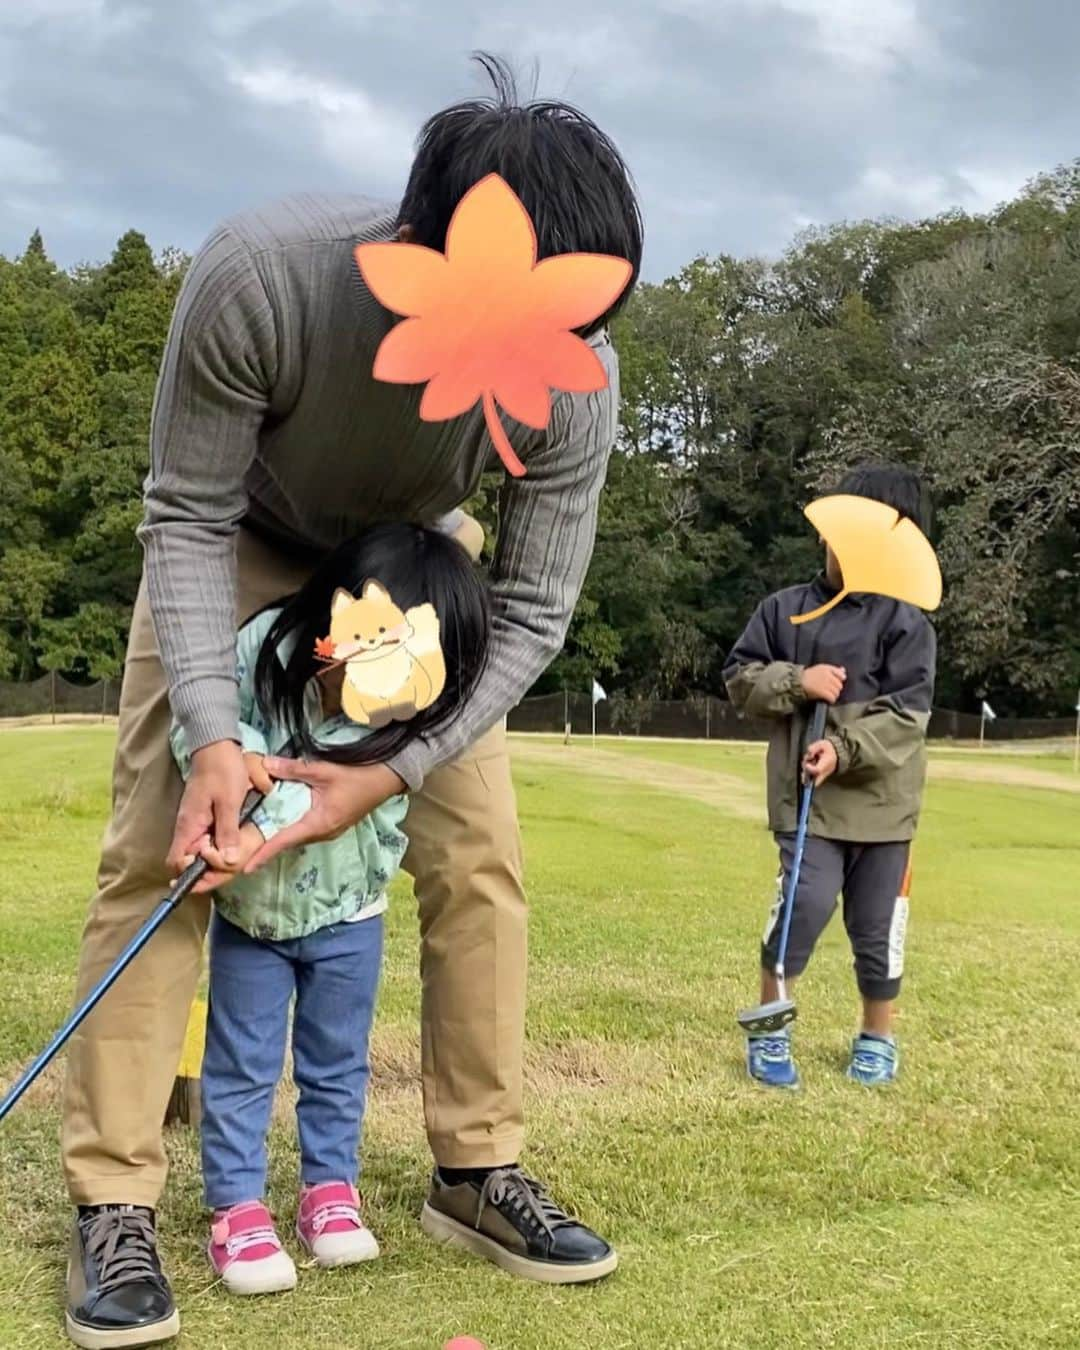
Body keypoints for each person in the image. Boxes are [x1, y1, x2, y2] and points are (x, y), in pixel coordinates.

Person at [61, 53, 640, 1349]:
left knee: (477, 850)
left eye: (585, 318)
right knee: (166, 841)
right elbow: (188, 508)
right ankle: (116, 1193)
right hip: (244, 536)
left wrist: (393, 767)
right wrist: (218, 733)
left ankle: (473, 1169)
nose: (568, 348)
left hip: (417, 565)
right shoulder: (262, 280)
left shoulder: (575, 380)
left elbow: (537, 606)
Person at [168, 523, 490, 1296]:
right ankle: (237, 1210)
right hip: (253, 919)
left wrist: (254, 829)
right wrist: (232, 754)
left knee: (337, 1063)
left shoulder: (400, 720)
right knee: (241, 1066)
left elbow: (317, 799)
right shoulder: (263, 649)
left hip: (352, 913)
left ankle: (328, 1194)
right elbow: (202, 727)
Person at [723, 463, 937, 1091]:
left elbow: (907, 717)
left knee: (877, 929)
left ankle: (877, 1035)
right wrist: (797, 680)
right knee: (802, 906)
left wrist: (843, 749)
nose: (838, 546)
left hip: (884, 810)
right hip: (808, 806)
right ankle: (771, 1026)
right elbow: (740, 679)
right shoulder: (784, 611)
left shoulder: (909, 626)